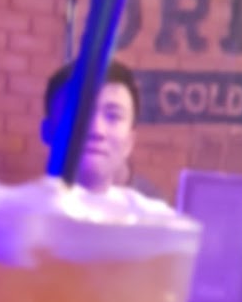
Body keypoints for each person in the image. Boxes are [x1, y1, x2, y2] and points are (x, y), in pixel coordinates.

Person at [42, 60, 165, 202]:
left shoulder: (153, 211)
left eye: (113, 116)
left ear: (130, 141)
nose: (96, 130)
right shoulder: (24, 211)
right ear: (48, 131)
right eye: (79, 113)